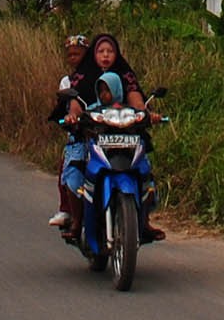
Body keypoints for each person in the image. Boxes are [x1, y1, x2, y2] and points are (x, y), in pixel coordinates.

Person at [66, 30, 164, 242]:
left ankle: (143, 220)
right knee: (74, 169)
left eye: (110, 51)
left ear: (116, 53)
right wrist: (74, 116)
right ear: (93, 54)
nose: (105, 55)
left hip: (124, 133)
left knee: (145, 171)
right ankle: (77, 220)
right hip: (92, 134)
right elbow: (75, 102)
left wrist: (147, 114)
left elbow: (136, 99)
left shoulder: (125, 75)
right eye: (101, 51)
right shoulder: (83, 75)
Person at [46, 33, 95, 229]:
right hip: (79, 133)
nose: (74, 58)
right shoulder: (67, 81)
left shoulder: (99, 77)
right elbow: (65, 105)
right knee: (67, 167)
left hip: (102, 131)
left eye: (78, 54)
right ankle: (67, 209)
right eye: (70, 55)